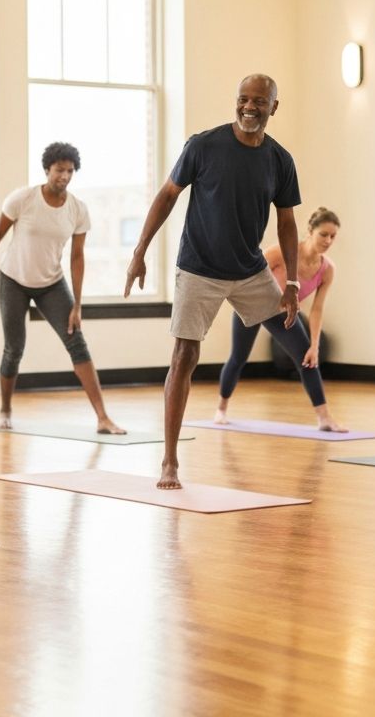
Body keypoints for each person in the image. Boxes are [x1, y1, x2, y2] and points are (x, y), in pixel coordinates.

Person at [124, 74, 302, 489]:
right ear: (235, 102)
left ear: (274, 107)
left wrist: (292, 283)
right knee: (184, 356)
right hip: (199, 268)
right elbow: (168, 195)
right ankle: (169, 460)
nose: (250, 107)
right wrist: (139, 253)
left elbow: (288, 221)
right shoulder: (203, 146)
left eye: (260, 101)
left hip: (250, 270)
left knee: (296, 332)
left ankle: (323, 412)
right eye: (243, 99)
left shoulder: (280, 160)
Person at [0, 142, 125, 435]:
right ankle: (5, 409)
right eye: (59, 170)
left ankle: (103, 417)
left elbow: (77, 257)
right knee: (14, 348)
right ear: (47, 170)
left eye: (70, 171)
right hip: (13, 279)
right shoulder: (23, 199)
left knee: (77, 343)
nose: (64, 176)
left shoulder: (78, 209)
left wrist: (77, 304)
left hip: (51, 283)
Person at [213, 206, 346, 431]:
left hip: (282, 312)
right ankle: (221, 409)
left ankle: (324, 419)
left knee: (307, 359)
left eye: (333, 236)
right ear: (310, 232)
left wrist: (315, 345)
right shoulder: (282, 252)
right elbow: (248, 272)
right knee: (238, 357)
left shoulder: (327, 269)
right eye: (323, 234)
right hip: (252, 304)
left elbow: (317, 309)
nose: (328, 240)